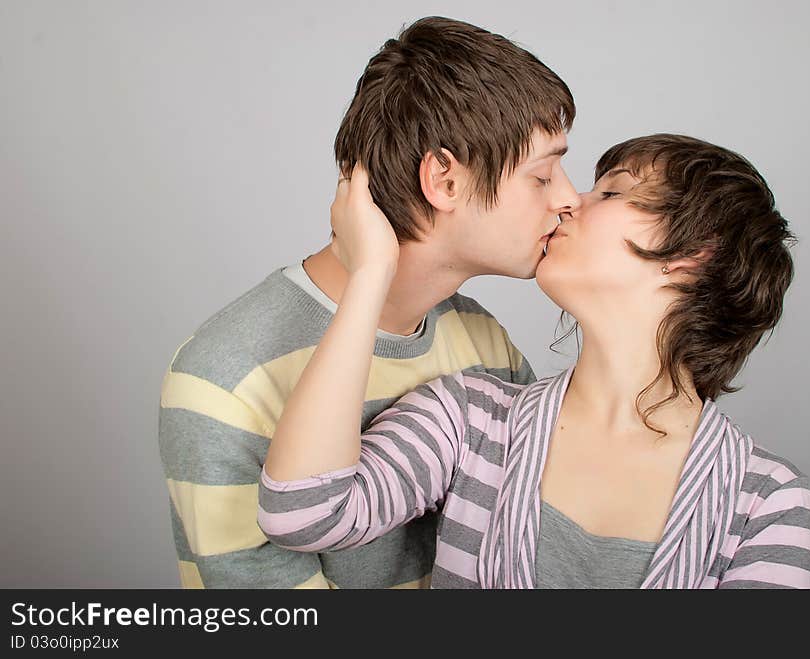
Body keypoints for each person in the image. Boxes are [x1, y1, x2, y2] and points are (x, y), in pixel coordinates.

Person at [258, 134, 810, 588]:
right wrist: (370, 275)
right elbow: (302, 513)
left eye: (613, 193)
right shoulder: (469, 417)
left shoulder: (766, 502)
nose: (570, 201)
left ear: (695, 254)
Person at [157, 16, 581, 588]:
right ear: (445, 181)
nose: (570, 197)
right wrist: (372, 275)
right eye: (542, 174)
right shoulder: (226, 377)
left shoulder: (484, 345)